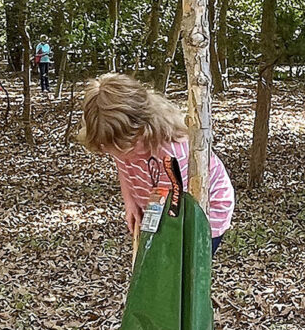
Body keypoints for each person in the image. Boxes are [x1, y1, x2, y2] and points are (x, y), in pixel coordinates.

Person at [76, 73, 234, 255]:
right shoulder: (120, 140)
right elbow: (122, 164)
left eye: (124, 148)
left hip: (203, 213)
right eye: (109, 149)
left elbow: (174, 211)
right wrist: (130, 201)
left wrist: (161, 245)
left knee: (183, 274)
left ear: (142, 126)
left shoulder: (174, 153)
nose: (118, 154)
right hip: (159, 204)